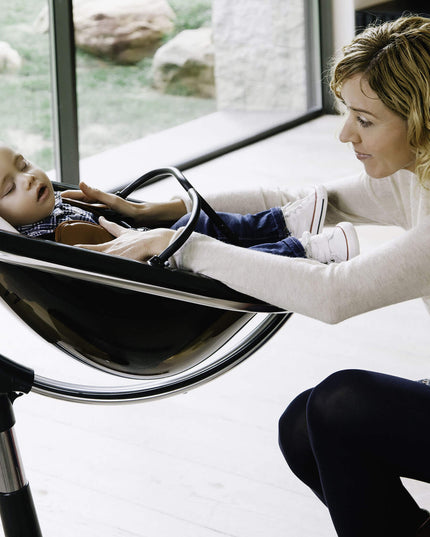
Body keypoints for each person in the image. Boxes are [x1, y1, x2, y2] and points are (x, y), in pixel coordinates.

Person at [63, 14, 430, 537]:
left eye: (365, 120)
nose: (346, 133)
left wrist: (186, 247)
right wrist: (150, 212)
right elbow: (296, 203)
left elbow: (335, 295)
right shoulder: (417, 173)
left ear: (420, 120)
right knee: (302, 427)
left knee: (340, 404)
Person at [0, 143, 360, 263]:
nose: (29, 178)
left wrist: (113, 209)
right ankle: (299, 248)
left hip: (153, 239)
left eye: (24, 164)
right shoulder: (42, 244)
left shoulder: (59, 202)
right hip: (158, 269)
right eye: (9, 189)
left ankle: (282, 223)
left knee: (203, 223)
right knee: (218, 254)